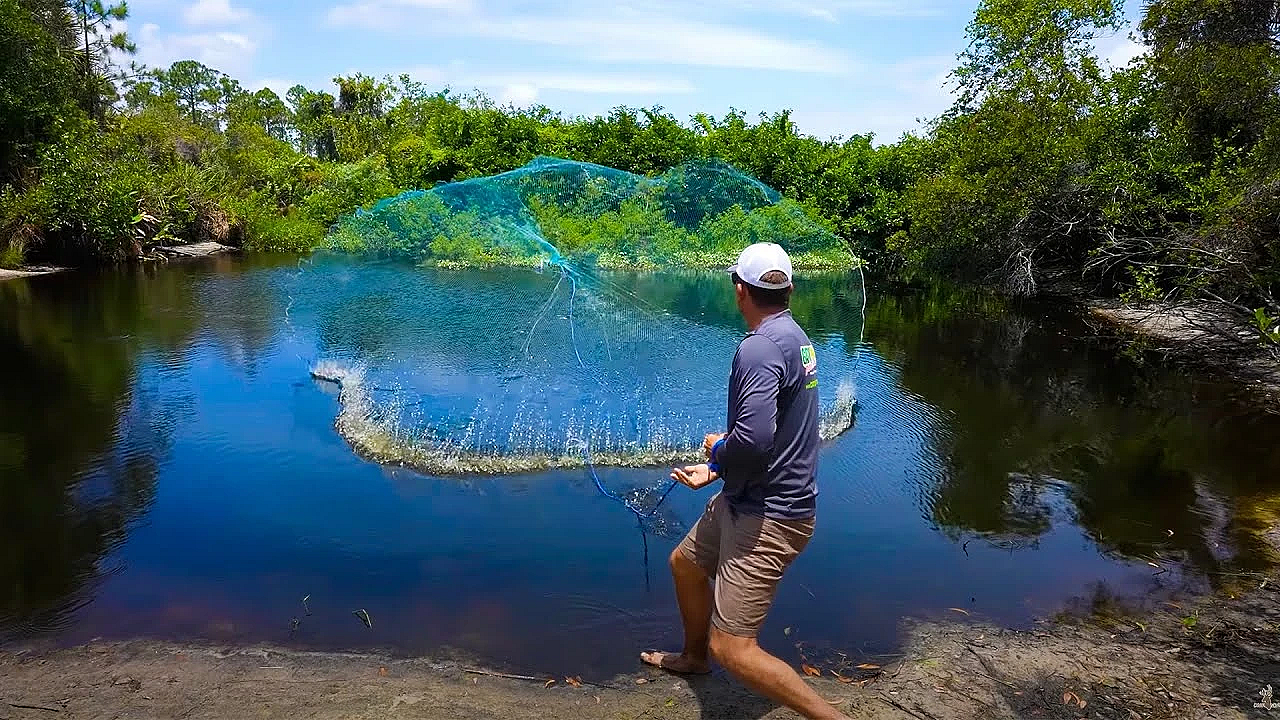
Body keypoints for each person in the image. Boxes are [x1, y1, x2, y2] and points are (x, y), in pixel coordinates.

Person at [641, 243, 849, 720]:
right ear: (789, 289)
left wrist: (717, 449)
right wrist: (716, 471)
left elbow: (754, 440)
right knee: (686, 565)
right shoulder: (797, 338)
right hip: (747, 499)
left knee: (733, 648)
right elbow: (783, 432)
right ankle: (693, 659)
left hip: (768, 517)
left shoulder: (758, 348)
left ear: (740, 290)